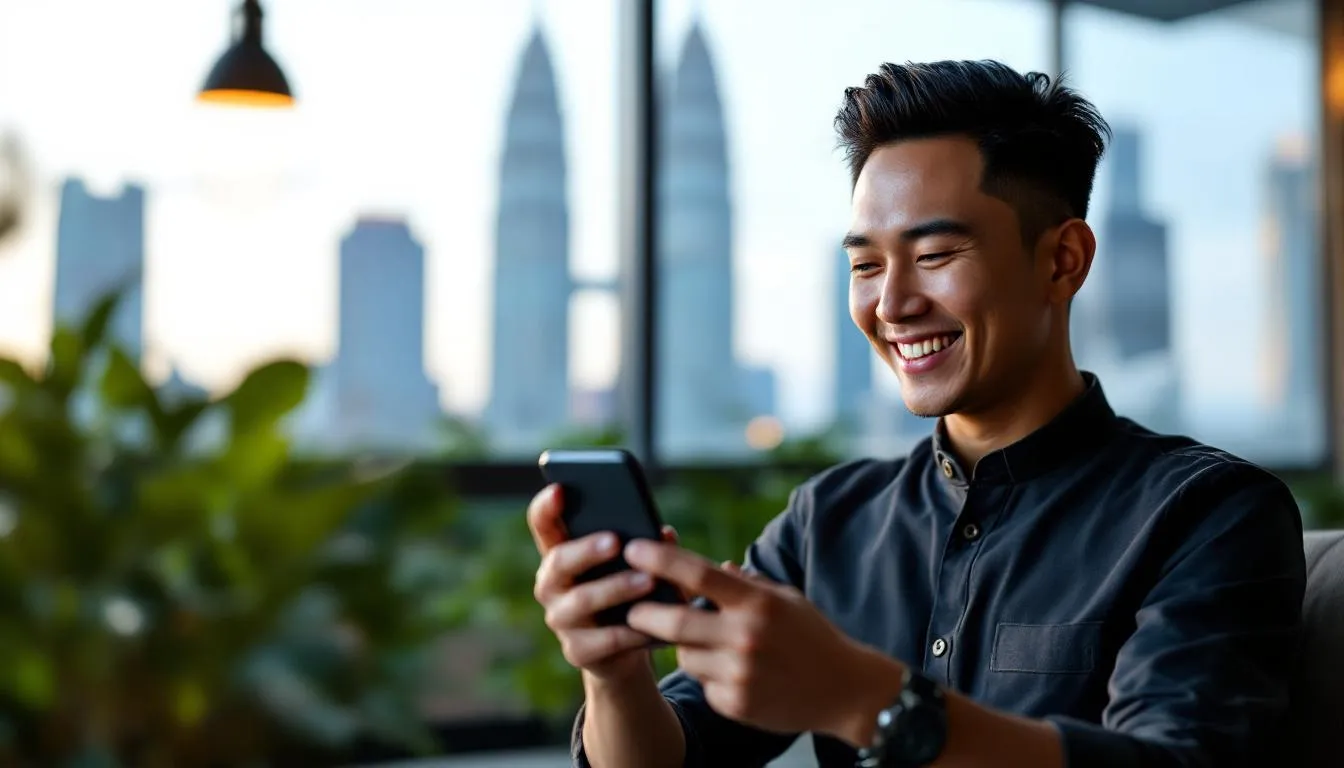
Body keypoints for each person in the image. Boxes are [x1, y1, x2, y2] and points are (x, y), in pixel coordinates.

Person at [526, 59, 1306, 768]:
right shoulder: (825, 524)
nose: (891, 305)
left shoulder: (1206, 513)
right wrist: (616, 672)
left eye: (934, 257)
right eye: (866, 265)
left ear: (1062, 260)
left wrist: (865, 700)